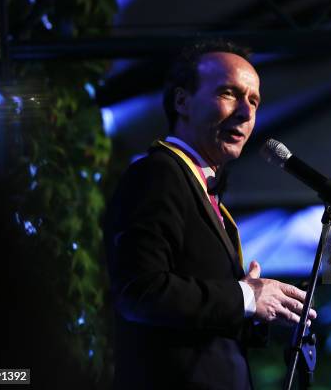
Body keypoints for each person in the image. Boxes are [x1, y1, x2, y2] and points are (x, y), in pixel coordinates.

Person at [105, 40, 317, 390]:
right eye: (229, 93)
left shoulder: (201, 186)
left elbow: (198, 315)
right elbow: (140, 291)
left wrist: (259, 309)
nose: (246, 114)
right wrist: (246, 297)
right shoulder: (158, 173)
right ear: (182, 101)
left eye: (253, 101)